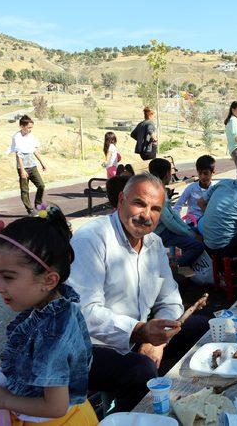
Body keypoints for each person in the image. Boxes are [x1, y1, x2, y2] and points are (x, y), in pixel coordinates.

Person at [67, 173, 206, 412]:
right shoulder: (91, 239)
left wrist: (158, 341)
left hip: (140, 335)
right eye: (139, 203)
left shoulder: (154, 243)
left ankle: (186, 398)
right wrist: (141, 332)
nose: (146, 215)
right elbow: (85, 314)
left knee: (204, 326)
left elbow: (170, 300)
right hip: (91, 346)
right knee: (140, 371)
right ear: (121, 200)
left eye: (155, 209)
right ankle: (127, 415)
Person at [0, 207, 97, 425]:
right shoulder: (49, 309)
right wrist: (4, 371)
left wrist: (3, 399)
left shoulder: (52, 333)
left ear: (48, 280)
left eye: (8, 277)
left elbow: (55, 406)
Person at [149, 158, 205, 267]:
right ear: (167, 175)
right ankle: (174, 268)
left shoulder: (158, 188)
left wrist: (188, 229)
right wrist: (189, 233)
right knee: (198, 246)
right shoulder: (157, 193)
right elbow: (169, 222)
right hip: (161, 233)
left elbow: (172, 215)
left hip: (165, 229)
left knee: (198, 231)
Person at [8, 115, 47, 216]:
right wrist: (22, 170)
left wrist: (42, 163)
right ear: (22, 126)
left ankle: (38, 205)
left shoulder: (31, 136)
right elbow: (18, 154)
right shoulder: (17, 137)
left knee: (41, 185)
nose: (30, 130)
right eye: (28, 127)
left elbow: (34, 150)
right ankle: (30, 210)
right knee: (25, 190)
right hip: (23, 167)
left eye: (31, 128)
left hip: (32, 166)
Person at [173, 155, 217, 223]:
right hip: (192, 222)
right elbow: (177, 205)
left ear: (213, 172)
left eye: (205, 173)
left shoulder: (216, 188)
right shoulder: (191, 188)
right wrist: (180, 223)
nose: (202, 177)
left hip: (208, 222)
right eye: (199, 173)